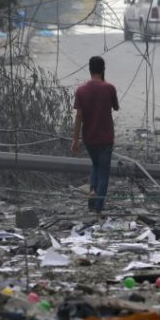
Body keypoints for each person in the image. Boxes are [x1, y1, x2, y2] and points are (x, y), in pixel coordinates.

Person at [72, 56, 119, 213]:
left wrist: (75, 139)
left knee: (95, 164)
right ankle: (98, 206)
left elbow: (79, 116)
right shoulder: (109, 88)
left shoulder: (81, 90)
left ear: (90, 69)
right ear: (103, 69)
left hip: (88, 136)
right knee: (104, 170)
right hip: (106, 137)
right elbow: (116, 107)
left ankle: (92, 189)